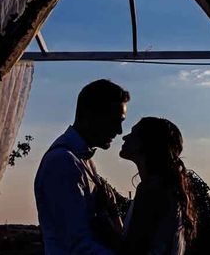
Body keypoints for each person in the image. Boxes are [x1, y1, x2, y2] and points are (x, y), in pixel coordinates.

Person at [35, 79, 130, 254]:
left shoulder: (83, 161)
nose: (119, 131)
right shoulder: (62, 162)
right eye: (115, 121)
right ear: (91, 115)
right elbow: (77, 245)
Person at [112, 117, 197, 255]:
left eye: (133, 134)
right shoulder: (166, 188)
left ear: (146, 143)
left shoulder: (151, 189)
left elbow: (132, 249)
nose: (124, 137)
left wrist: (103, 225)